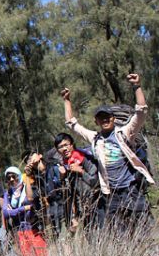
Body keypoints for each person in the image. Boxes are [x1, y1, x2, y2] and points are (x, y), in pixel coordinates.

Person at [61, 74, 155, 232]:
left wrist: (137, 87)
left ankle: (146, 254)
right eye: (101, 118)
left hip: (130, 188)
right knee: (118, 232)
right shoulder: (95, 138)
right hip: (111, 193)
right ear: (96, 121)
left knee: (141, 229)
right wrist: (66, 100)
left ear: (113, 118)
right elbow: (72, 123)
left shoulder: (125, 133)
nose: (104, 120)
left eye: (107, 117)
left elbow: (141, 113)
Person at [50, 133, 101, 233]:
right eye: (60, 147)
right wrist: (62, 177)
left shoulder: (85, 158)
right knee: (89, 236)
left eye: (66, 145)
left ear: (72, 144)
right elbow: (67, 195)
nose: (64, 149)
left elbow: (96, 182)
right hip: (83, 211)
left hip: (97, 204)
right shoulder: (64, 164)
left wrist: (81, 171)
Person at [2, 163, 47, 256]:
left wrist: (26, 177)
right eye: (9, 178)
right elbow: (5, 213)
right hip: (20, 231)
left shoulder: (27, 188)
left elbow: (30, 200)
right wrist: (23, 209)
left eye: (15, 176)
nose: (12, 180)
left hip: (34, 228)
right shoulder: (8, 194)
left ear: (19, 176)